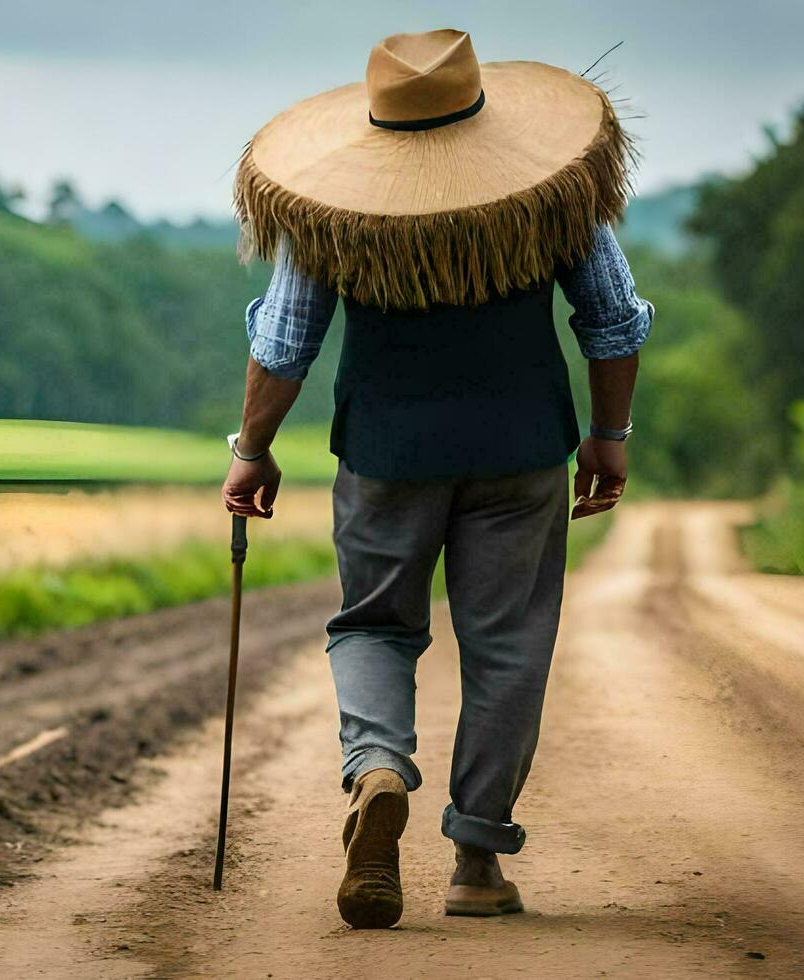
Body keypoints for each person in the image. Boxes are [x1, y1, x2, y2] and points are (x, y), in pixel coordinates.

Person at [221, 28, 652, 929]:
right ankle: (477, 862)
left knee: (375, 624)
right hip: (522, 449)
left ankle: (378, 768)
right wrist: (609, 434)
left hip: (384, 456)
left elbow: (285, 342)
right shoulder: (552, 192)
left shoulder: (331, 207)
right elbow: (612, 318)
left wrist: (252, 449)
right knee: (509, 644)